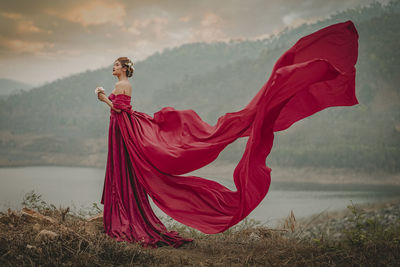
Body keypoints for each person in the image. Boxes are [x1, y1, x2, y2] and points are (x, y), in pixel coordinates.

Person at [96, 20, 359, 248]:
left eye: (116, 64)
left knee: (128, 171)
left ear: (124, 69)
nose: (113, 67)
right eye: (114, 65)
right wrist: (110, 101)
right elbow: (123, 112)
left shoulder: (123, 85)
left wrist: (102, 98)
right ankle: (124, 212)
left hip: (122, 129)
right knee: (128, 171)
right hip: (122, 131)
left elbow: (120, 111)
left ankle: (127, 216)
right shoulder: (121, 84)